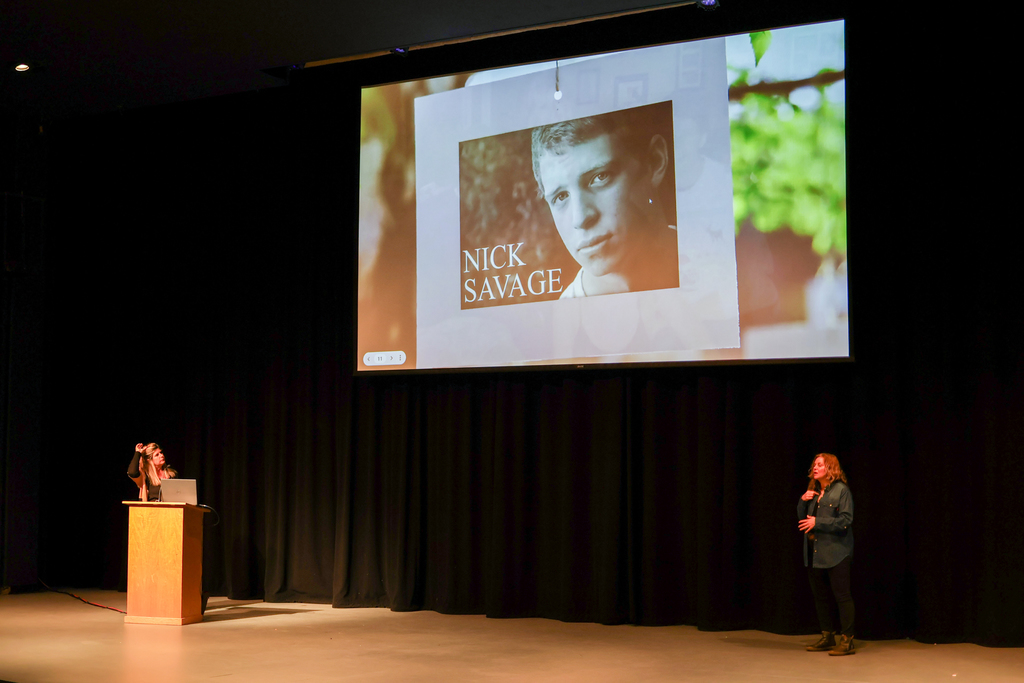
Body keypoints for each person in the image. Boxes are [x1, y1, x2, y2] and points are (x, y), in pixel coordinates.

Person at [531, 105, 679, 299]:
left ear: (655, 161)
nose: (581, 218)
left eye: (600, 177)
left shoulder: (715, 261)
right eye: (560, 197)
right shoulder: (557, 325)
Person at [798, 452, 855, 655]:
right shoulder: (813, 491)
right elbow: (802, 520)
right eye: (814, 464)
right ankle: (827, 636)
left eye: (819, 464)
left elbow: (846, 520)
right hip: (815, 552)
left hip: (837, 552)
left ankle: (847, 641)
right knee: (820, 596)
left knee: (842, 596)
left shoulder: (841, 491)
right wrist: (803, 501)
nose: (815, 467)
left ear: (830, 468)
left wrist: (818, 522)